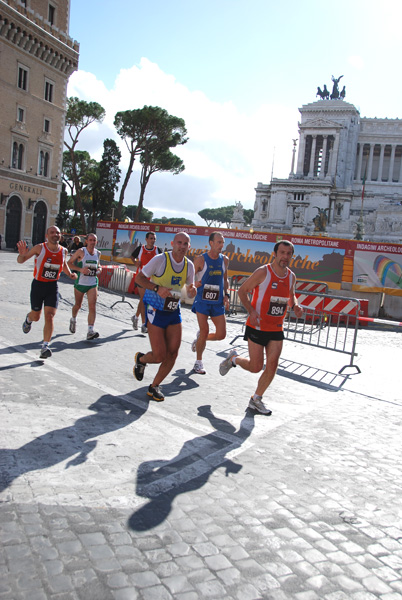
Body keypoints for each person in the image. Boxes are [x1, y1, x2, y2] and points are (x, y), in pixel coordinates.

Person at [219, 240, 303, 415]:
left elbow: (291, 296)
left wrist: (295, 306)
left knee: (272, 365)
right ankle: (233, 358)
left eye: (289, 254)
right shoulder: (263, 272)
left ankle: (256, 399)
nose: (285, 257)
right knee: (256, 367)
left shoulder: (291, 276)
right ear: (275, 253)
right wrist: (251, 311)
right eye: (282, 253)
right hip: (257, 327)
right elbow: (242, 291)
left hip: (276, 328)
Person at [133, 232, 196, 402]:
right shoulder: (160, 260)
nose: (182, 246)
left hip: (173, 310)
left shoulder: (189, 266)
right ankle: (141, 359)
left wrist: (191, 291)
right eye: (179, 243)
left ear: (189, 247)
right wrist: (156, 288)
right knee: (159, 355)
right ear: (172, 243)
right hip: (155, 308)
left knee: (173, 353)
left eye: (185, 244)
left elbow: (189, 289)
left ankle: (154, 386)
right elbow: (139, 278)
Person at [16, 225, 77, 359]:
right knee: (36, 316)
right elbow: (21, 260)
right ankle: (28, 319)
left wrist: (70, 274)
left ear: (60, 236)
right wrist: (21, 255)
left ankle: (45, 346)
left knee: (49, 316)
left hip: (52, 287)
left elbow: (64, 265)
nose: (55, 234)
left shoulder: (63, 251)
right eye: (52, 232)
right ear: (47, 235)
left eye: (57, 232)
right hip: (38, 286)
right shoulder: (40, 248)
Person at [191, 232, 230, 374]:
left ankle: (200, 338)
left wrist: (227, 295)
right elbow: (189, 278)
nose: (221, 245)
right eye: (219, 242)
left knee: (221, 334)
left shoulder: (224, 260)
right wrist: (193, 284)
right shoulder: (201, 259)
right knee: (205, 329)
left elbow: (225, 279)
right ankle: (198, 362)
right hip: (202, 300)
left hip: (217, 301)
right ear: (211, 243)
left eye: (223, 242)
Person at [67, 233, 102, 340]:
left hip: (92, 283)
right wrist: (80, 270)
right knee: (78, 305)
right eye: (90, 240)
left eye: (94, 240)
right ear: (86, 241)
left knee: (92, 306)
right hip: (81, 282)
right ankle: (73, 319)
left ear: (96, 242)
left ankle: (90, 331)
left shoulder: (98, 253)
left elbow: (98, 265)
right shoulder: (81, 252)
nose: (92, 242)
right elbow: (69, 263)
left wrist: (99, 269)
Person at [131, 232, 162, 334]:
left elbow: (163, 261)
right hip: (141, 278)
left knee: (146, 300)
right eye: (151, 238)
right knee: (144, 299)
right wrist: (135, 262)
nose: (153, 240)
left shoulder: (158, 250)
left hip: (153, 280)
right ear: (146, 239)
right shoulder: (140, 249)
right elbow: (132, 256)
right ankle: (144, 324)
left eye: (154, 239)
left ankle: (135, 317)